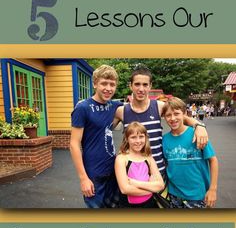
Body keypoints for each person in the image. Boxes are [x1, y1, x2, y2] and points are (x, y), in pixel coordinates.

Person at [114, 66, 208, 181]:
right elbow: (103, 129)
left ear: (150, 86)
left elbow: (182, 117)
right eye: (137, 84)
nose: (141, 89)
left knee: (160, 199)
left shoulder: (158, 106)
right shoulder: (122, 111)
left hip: (158, 171)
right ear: (130, 85)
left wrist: (199, 126)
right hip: (134, 173)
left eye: (145, 85)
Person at [70, 65, 122, 208]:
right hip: (94, 174)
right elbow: (74, 144)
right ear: (95, 84)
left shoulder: (115, 106)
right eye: (104, 83)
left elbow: (142, 108)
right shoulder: (83, 108)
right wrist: (83, 178)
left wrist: (190, 123)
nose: (108, 88)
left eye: (112, 84)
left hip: (114, 171)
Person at [162, 97, 218, 208]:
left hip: (197, 195)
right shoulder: (164, 140)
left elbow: (213, 160)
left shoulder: (197, 134)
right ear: (164, 117)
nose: (172, 118)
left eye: (176, 113)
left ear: (184, 113)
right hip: (174, 195)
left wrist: (212, 189)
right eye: (168, 115)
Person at [115, 122, 165, 208]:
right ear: (127, 139)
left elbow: (160, 185)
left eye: (141, 137)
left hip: (150, 205)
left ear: (145, 138)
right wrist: (152, 188)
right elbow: (125, 189)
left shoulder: (148, 158)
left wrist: (134, 183)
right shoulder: (121, 159)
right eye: (133, 137)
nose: (138, 141)